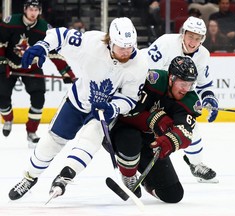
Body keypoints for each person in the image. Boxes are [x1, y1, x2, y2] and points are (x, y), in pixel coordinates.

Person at [8, 17, 148, 201]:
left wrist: (113, 108)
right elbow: (60, 35)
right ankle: (30, 177)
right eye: (121, 47)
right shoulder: (91, 43)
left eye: (130, 47)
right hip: (77, 101)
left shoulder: (139, 64)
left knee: (89, 142)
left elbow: (130, 98)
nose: (126, 52)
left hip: (102, 111)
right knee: (51, 142)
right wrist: (43, 46)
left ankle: (65, 177)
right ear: (111, 42)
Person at [110, 56, 202, 202]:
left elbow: (185, 133)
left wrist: (169, 142)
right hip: (123, 130)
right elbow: (126, 113)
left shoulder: (190, 100)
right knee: (131, 138)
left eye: (190, 84)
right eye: (183, 83)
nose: (186, 89)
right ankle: (128, 175)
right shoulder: (153, 81)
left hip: (150, 142)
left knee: (173, 194)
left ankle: (146, 182)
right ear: (171, 78)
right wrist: (154, 119)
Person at [142, 16, 219, 183]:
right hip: (154, 92)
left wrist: (209, 98)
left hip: (176, 95)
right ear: (182, 33)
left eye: (198, 38)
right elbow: (146, 73)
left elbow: (204, 85)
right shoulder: (166, 43)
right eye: (190, 36)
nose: (193, 42)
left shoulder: (203, 54)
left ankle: (196, 165)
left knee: (190, 125)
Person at [0, 0, 75, 148]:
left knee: (38, 98)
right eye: (31, 9)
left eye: (36, 9)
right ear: (25, 10)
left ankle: (31, 132)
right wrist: (1, 62)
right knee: (2, 97)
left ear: (40, 11)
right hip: (9, 66)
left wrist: (67, 73)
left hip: (31, 67)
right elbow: (0, 43)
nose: (33, 13)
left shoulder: (45, 29)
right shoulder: (11, 22)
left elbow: (53, 53)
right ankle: (8, 119)